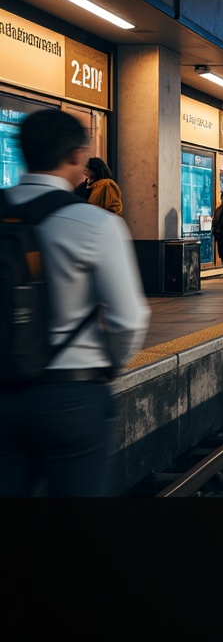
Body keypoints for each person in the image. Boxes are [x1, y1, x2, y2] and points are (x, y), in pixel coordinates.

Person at [0, 109, 149, 496]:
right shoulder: (95, 224)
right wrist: (110, 365)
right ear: (75, 156)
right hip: (71, 394)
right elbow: (128, 319)